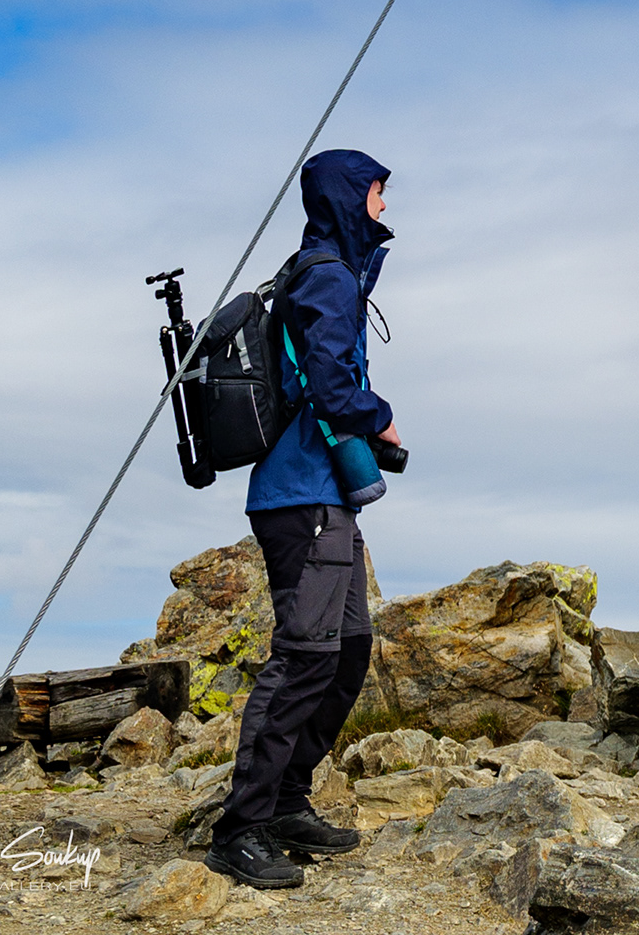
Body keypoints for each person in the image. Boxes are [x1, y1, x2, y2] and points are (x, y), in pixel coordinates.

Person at [207, 149, 403, 890]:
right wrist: (378, 420)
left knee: (349, 651)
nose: (384, 207)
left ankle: (287, 801)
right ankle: (240, 828)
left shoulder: (326, 269)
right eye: (378, 195)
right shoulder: (325, 274)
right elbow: (332, 384)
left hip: (322, 499)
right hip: (301, 497)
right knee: (306, 657)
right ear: (352, 198)